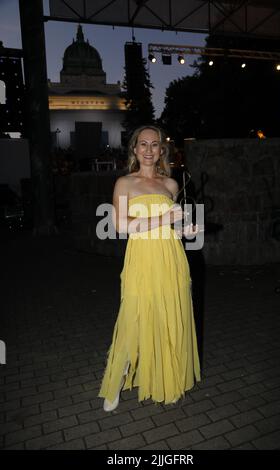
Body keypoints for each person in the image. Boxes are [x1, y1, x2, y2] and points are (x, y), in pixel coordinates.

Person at [98, 125, 201, 411]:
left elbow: (174, 228)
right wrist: (164, 218)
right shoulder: (124, 183)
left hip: (171, 258)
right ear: (134, 149)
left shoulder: (170, 185)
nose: (148, 150)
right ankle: (114, 384)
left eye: (154, 145)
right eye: (142, 144)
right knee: (134, 317)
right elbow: (119, 225)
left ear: (161, 151)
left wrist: (187, 230)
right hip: (141, 259)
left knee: (170, 316)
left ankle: (168, 381)